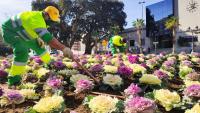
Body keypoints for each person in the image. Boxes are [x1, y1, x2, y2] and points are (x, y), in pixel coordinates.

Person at [1, 6, 73, 87]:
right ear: (46, 15)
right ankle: (14, 80)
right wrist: (64, 48)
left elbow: (32, 28)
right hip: (10, 31)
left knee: (40, 47)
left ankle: (51, 64)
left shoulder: (42, 19)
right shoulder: (37, 19)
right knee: (22, 51)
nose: (51, 23)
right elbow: (49, 39)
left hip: (23, 32)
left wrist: (38, 38)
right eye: (51, 20)